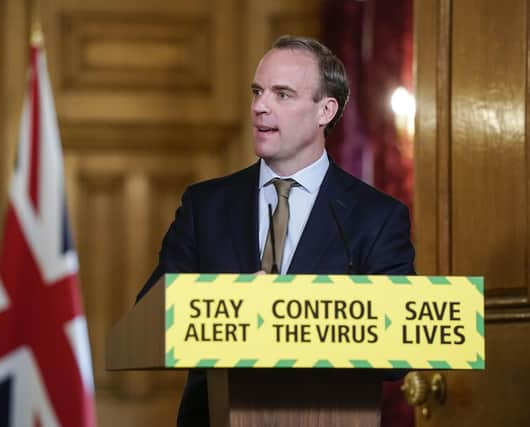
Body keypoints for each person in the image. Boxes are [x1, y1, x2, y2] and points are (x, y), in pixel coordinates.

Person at [136, 35, 415, 427]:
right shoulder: (206, 205)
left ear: (325, 110)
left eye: (282, 95)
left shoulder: (376, 217)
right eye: (257, 91)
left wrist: (289, 317)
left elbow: (400, 351)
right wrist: (233, 309)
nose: (260, 107)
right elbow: (151, 321)